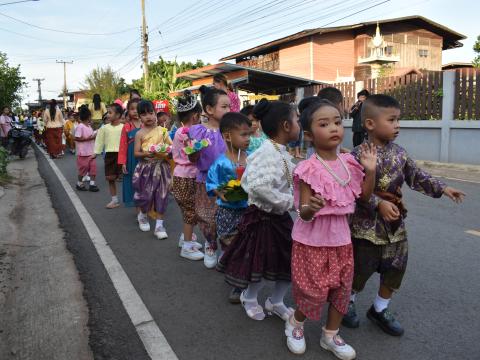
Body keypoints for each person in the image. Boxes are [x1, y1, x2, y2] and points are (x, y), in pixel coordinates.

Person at [343, 94, 465, 337]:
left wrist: (443, 188)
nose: (397, 125)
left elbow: (417, 176)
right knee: (359, 269)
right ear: (370, 124)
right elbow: (353, 190)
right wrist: (377, 203)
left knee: (396, 267)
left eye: (398, 120)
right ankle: (346, 303)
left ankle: (380, 309)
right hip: (365, 227)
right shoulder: (357, 156)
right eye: (392, 120)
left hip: (395, 225)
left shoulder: (400, 153)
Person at [284, 99, 377, 359]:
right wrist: (312, 207)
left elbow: (364, 198)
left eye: (337, 121)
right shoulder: (308, 168)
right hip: (311, 241)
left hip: (341, 241)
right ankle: (295, 324)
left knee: (341, 291)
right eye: (324, 124)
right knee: (313, 290)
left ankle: (330, 334)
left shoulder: (350, 163)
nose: (334, 127)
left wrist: (370, 171)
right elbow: (302, 212)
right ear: (311, 135)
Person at [217, 99, 299, 322]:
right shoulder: (267, 152)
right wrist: (292, 202)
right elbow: (256, 185)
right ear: (285, 126)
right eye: (297, 120)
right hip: (262, 218)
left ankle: (277, 300)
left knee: (288, 260)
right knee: (259, 262)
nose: (300, 124)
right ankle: (250, 298)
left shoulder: (280, 151)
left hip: (279, 218)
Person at [206, 112, 251, 302]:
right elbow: (211, 183)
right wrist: (220, 193)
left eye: (249, 134)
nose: (248, 139)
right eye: (243, 134)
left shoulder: (251, 159)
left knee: (245, 246)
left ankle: (243, 282)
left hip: (248, 210)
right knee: (230, 245)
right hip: (227, 210)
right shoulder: (220, 162)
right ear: (227, 136)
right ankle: (235, 284)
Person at [188, 85, 230, 268]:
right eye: (224, 107)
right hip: (205, 180)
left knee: (229, 216)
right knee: (206, 217)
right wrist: (194, 151)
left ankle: (227, 249)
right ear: (209, 109)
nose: (229, 110)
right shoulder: (197, 131)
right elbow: (193, 158)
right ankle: (210, 244)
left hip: (229, 181)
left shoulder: (232, 130)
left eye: (230, 106)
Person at [132, 100, 172, 239]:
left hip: (162, 167)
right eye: (144, 114)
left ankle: (159, 226)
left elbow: (170, 148)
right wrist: (146, 154)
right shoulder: (139, 134)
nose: (148, 116)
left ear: (155, 113)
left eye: (151, 113)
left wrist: (168, 152)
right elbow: (136, 153)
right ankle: (142, 215)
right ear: (139, 117)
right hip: (145, 168)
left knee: (162, 195)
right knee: (145, 195)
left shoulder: (163, 131)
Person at [171, 91, 204, 260]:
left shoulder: (181, 130)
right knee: (190, 211)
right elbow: (193, 152)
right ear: (195, 115)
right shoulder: (185, 133)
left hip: (183, 175)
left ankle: (186, 238)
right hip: (186, 176)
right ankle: (187, 246)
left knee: (189, 210)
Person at [94, 103, 124, 209]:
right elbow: (99, 141)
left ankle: (134, 199)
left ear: (118, 115)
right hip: (110, 156)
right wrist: (95, 153)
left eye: (110, 112)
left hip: (122, 155)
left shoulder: (124, 127)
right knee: (111, 179)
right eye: (107, 112)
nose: (107, 115)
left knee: (127, 177)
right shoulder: (104, 128)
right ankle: (114, 200)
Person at [118, 98, 141, 207]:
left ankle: (145, 208)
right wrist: (123, 162)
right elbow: (123, 146)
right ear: (128, 111)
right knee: (134, 184)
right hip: (131, 159)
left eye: (138, 108)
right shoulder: (127, 127)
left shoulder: (147, 124)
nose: (135, 111)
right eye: (132, 109)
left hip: (146, 158)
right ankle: (140, 213)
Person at [74, 106, 98, 192]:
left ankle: (92, 184)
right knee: (83, 169)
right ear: (88, 117)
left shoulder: (89, 126)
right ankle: (79, 183)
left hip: (91, 151)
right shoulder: (80, 126)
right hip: (83, 152)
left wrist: (95, 136)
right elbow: (77, 138)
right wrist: (89, 138)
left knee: (93, 168)